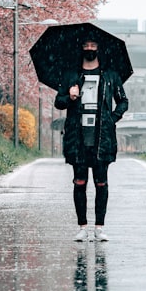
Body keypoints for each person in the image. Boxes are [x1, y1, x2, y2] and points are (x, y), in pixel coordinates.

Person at [54, 38, 128, 242]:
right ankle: (82, 227)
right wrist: (70, 97)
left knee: (101, 182)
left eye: (93, 45)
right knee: (79, 182)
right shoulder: (71, 76)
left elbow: (123, 101)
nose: (89, 48)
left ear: (99, 49)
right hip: (76, 137)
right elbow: (58, 103)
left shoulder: (111, 76)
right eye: (86, 45)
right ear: (81, 49)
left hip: (102, 137)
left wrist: (112, 119)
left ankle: (99, 227)